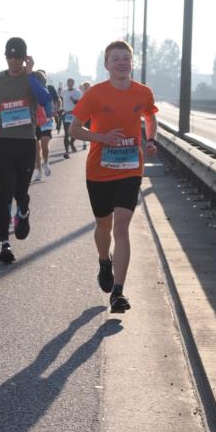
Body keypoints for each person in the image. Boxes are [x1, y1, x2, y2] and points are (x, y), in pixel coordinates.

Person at [68, 40, 158, 313]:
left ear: (132, 63)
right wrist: (101, 137)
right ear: (107, 65)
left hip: (130, 169)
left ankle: (118, 292)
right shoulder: (95, 94)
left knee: (121, 227)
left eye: (125, 58)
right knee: (103, 227)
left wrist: (150, 139)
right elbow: (74, 129)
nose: (121, 62)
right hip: (99, 170)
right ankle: (103, 262)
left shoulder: (143, 93)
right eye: (115, 58)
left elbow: (150, 117)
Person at [0, 37, 53, 264]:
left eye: (18, 57)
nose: (13, 61)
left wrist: (30, 74)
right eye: (10, 56)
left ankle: (23, 209)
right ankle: (5, 244)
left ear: (25, 57)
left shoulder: (35, 78)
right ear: (5, 57)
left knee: (20, 192)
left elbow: (44, 99)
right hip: (2, 142)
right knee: (3, 193)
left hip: (25, 143)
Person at [32, 70, 57, 181]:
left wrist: (55, 109)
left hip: (46, 120)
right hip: (34, 122)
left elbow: (56, 100)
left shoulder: (49, 88)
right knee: (36, 148)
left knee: (44, 144)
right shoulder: (30, 89)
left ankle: (45, 163)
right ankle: (38, 170)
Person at [61, 77, 82, 157]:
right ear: (67, 83)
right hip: (66, 114)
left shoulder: (77, 92)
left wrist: (74, 100)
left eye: (71, 82)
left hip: (75, 114)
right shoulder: (64, 92)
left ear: (73, 83)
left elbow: (80, 103)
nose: (70, 84)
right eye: (68, 82)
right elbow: (62, 101)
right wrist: (61, 110)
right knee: (66, 133)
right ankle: (67, 151)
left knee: (75, 132)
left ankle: (72, 142)